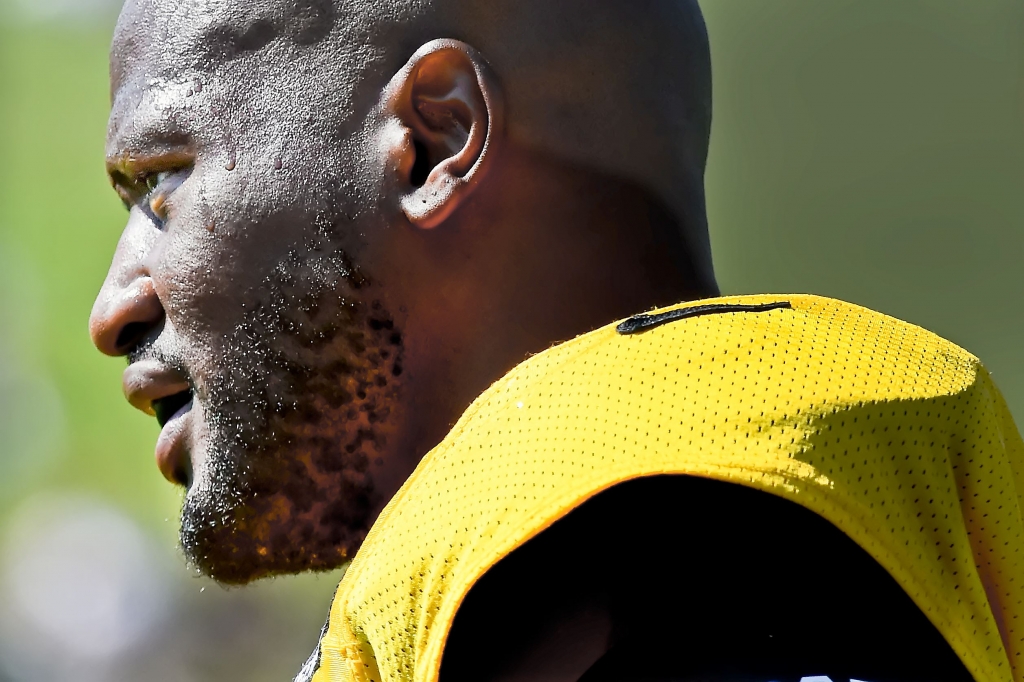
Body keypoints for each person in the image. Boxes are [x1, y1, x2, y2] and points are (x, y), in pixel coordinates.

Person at [87, 1, 1023, 680]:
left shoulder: (621, 547)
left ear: (431, 139)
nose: (111, 309)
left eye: (163, 183)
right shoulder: (895, 471)